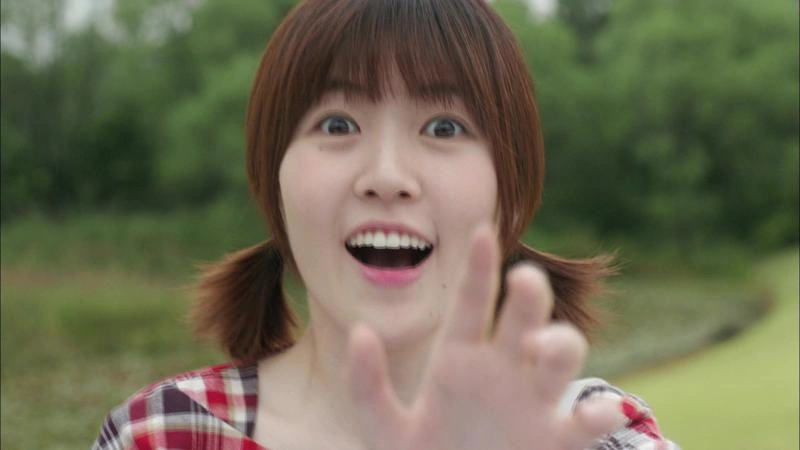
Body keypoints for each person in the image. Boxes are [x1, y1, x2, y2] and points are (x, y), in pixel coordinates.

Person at [93, 0, 678, 449]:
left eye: (444, 127)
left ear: (511, 191)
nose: (387, 176)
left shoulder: (594, 434)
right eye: (337, 124)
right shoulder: (167, 434)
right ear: (274, 183)